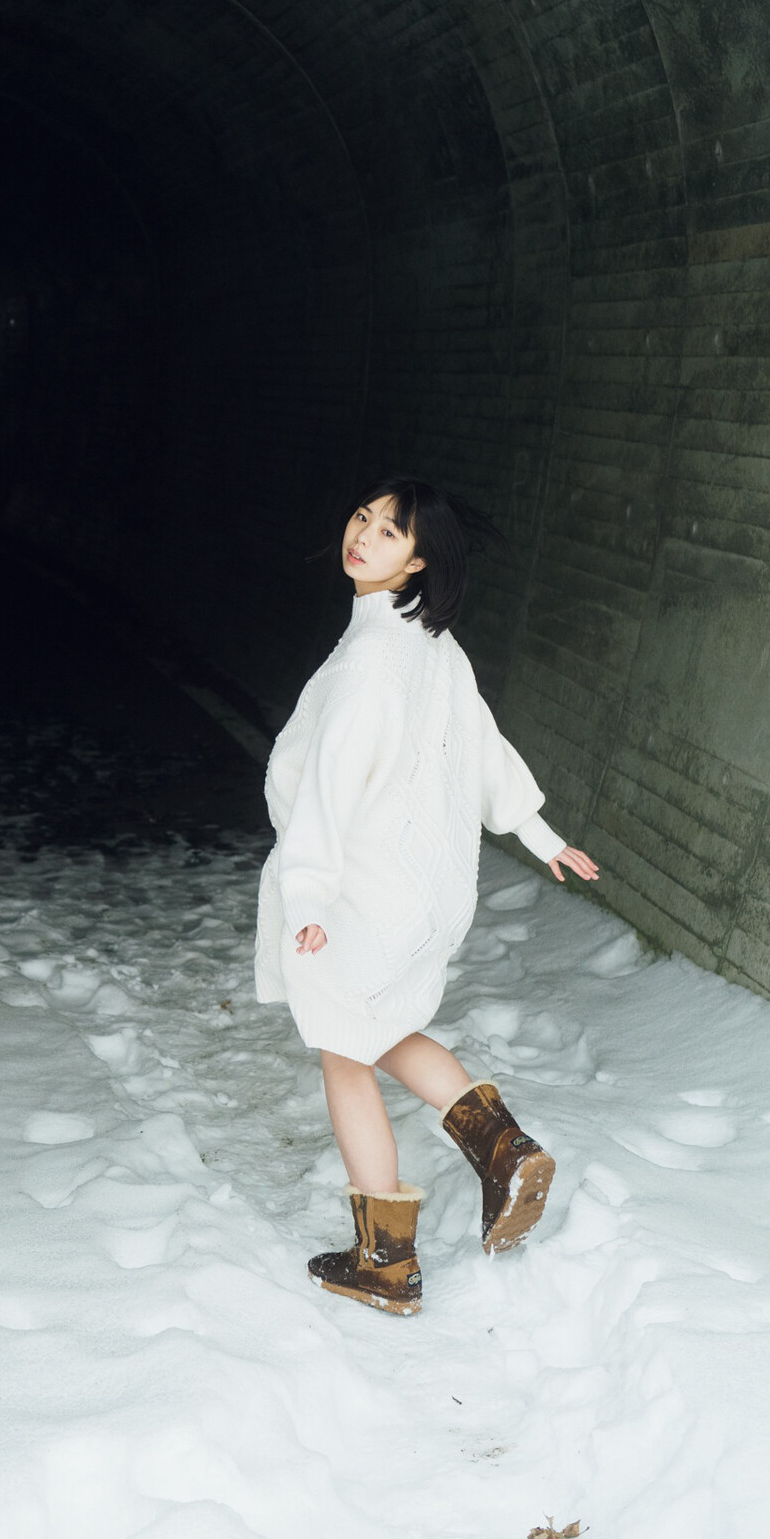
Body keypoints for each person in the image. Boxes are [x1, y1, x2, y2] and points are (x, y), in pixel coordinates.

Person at [254, 476, 600, 1315]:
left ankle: (386, 1262)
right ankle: (503, 1150)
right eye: (362, 517)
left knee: (345, 1055)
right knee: (383, 1029)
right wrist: (540, 835)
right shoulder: (436, 648)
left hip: (355, 891)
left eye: (390, 532)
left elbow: (328, 786)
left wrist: (308, 895)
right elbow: (486, 750)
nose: (363, 535)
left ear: (418, 562)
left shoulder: (371, 659)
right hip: (422, 892)